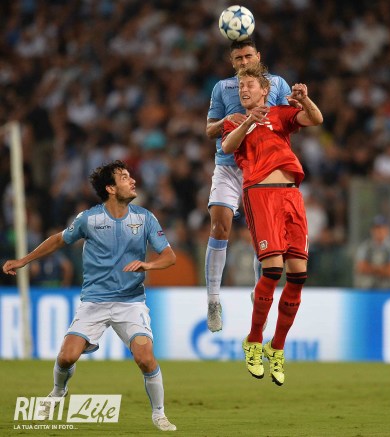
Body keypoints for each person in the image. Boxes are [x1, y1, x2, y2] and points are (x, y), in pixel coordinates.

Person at [2, 161, 177, 431]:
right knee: (66, 357)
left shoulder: (145, 218)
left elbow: (169, 256)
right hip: (94, 302)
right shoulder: (89, 219)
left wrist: (148, 265)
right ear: (110, 188)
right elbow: (59, 239)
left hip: (130, 302)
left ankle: (159, 414)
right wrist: (24, 260)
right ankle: (59, 391)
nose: (132, 181)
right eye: (124, 177)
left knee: (145, 357)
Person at [222, 63, 323, 386]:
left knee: (299, 274)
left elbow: (316, 119)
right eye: (241, 86)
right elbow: (227, 146)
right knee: (273, 270)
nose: (244, 90)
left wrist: (304, 99)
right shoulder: (234, 120)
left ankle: (276, 347)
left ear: (265, 90)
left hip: (291, 194)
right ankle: (254, 339)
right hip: (260, 193)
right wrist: (248, 121)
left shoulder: (280, 114)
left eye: (249, 85)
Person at [204, 38, 294, 332]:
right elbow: (210, 130)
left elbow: (287, 121)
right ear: (232, 62)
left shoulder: (277, 84)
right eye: (238, 58)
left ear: (258, 56)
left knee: (262, 236)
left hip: (262, 166)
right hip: (228, 166)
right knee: (220, 226)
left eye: (248, 56)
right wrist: (226, 121)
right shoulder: (222, 88)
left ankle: (260, 296)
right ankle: (213, 300)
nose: (244, 62)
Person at [354, 215, 390, 289]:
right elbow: (361, 268)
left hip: (388, 288)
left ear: (387, 230)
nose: (379, 231)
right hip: (367, 287)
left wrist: (371, 268)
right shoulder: (364, 247)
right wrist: (383, 269)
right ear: (371, 230)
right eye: (376, 228)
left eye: (382, 228)